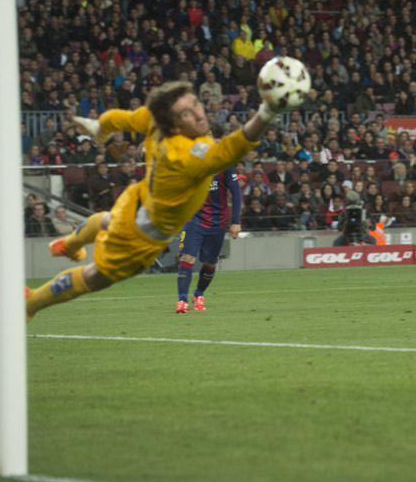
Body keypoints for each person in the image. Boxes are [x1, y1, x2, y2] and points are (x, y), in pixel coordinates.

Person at [28, 80, 277, 320]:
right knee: (97, 277)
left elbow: (120, 118)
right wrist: (266, 112)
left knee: (108, 221)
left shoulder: (153, 120)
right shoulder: (189, 155)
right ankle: (32, 301)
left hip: (137, 199)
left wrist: (99, 128)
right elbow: (237, 145)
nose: (199, 114)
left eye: (196, 104)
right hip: (147, 233)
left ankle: (70, 244)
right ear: (174, 123)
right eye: (187, 113)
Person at [175, 125, 244, 314]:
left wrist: (236, 221)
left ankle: (199, 294)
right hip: (194, 220)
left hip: (217, 222)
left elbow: (236, 193)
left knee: (210, 263)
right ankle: (182, 300)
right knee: (187, 258)